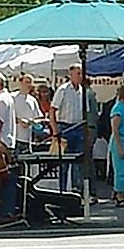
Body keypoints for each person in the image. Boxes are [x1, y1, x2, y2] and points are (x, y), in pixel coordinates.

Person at [49, 63, 92, 193]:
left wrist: (87, 130)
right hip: (65, 128)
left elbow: (86, 113)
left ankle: (76, 190)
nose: (80, 76)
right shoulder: (63, 90)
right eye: (78, 73)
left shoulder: (83, 91)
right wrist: (55, 130)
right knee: (64, 163)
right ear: (70, 75)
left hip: (79, 128)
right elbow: (52, 110)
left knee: (78, 161)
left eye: (81, 73)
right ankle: (62, 190)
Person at [12, 74, 43, 154]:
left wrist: (32, 122)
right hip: (14, 138)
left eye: (30, 82)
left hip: (27, 139)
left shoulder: (32, 100)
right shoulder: (12, 97)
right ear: (21, 82)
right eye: (27, 82)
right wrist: (19, 121)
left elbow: (38, 117)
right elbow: (7, 115)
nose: (29, 85)